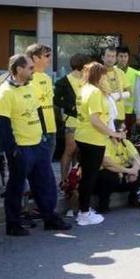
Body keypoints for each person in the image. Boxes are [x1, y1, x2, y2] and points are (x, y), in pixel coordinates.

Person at [0, 55, 71, 236]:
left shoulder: (30, 87)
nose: (33, 70)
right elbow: (3, 126)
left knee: (46, 183)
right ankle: (13, 223)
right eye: (29, 68)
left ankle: (49, 218)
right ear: (19, 69)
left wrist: (44, 136)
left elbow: (39, 112)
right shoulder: (5, 93)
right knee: (16, 186)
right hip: (21, 148)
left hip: (38, 145)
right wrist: (12, 150)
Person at [74, 61, 125, 226]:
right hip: (92, 139)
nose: (106, 79)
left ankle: (84, 210)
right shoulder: (95, 92)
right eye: (104, 76)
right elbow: (95, 120)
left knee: (86, 176)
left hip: (83, 136)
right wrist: (113, 133)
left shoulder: (84, 89)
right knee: (89, 177)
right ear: (98, 76)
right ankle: (84, 213)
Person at [54, 53, 87, 188]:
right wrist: (71, 106)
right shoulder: (63, 81)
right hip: (72, 120)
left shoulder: (88, 80)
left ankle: (75, 180)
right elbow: (56, 100)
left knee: (79, 152)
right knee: (70, 150)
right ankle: (63, 181)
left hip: (86, 121)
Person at [97, 130, 140, 212]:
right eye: (123, 131)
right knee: (107, 176)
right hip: (110, 171)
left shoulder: (126, 142)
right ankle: (103, 204)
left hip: (124, 172)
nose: (125, 133)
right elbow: (107, 163)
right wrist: (128, 171)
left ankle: (133, 198)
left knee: (139, 172)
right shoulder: (105, 142)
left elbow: (137, 157)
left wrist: (134, 170)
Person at [24, 44, 57, 158]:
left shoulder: (47, 78)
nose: (50, 58)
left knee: (46, 166)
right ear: (35, 58)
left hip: (51, 128)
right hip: (36, 130)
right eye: (47, 56)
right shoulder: (27, 78)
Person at [102, 46, 132, 129]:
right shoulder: (98, 72)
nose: (110, 59)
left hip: (119, 115)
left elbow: (130, 92)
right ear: (103, 57)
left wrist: (118, 95)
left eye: (113, 56)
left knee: (119, 140)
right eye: (108, 56)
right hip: (104, 115)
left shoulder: (120, 73)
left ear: (116, 59)